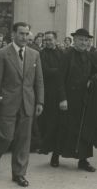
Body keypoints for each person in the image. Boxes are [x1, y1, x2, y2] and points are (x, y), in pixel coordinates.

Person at [0, 22, 44, 187]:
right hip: (7, 103)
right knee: (5, 137)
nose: (25, 37)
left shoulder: (35, 54)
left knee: (23, 139)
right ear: (13, 34)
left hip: (27, 103)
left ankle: (18, 173)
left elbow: (39, 81)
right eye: (21, 34)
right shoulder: (1, 54)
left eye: (27, 34)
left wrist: (40, 101)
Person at [56, 28, 97, 172]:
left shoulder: (90, 56)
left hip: (85, 100)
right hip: (68, 100)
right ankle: (55, 155)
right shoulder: (66, 56)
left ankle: (83, 160)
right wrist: (62, 99)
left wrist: (92, 81)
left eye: (86, 40)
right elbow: (60, 79)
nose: (84, 42)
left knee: (84, 130)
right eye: (81, 39)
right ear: (74, 40)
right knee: (63, 129)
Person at [38, 31, 64, 167]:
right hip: (48, 93)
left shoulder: (62, 53)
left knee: (60, 124)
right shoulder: (42, 54)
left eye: (50, 40)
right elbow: (45, 71)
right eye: (45, 40)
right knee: (49, 124)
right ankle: (49, 150)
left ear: (56, 40)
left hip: (61, 92)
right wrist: (60, 71)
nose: (47, 42)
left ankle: (57, 154)